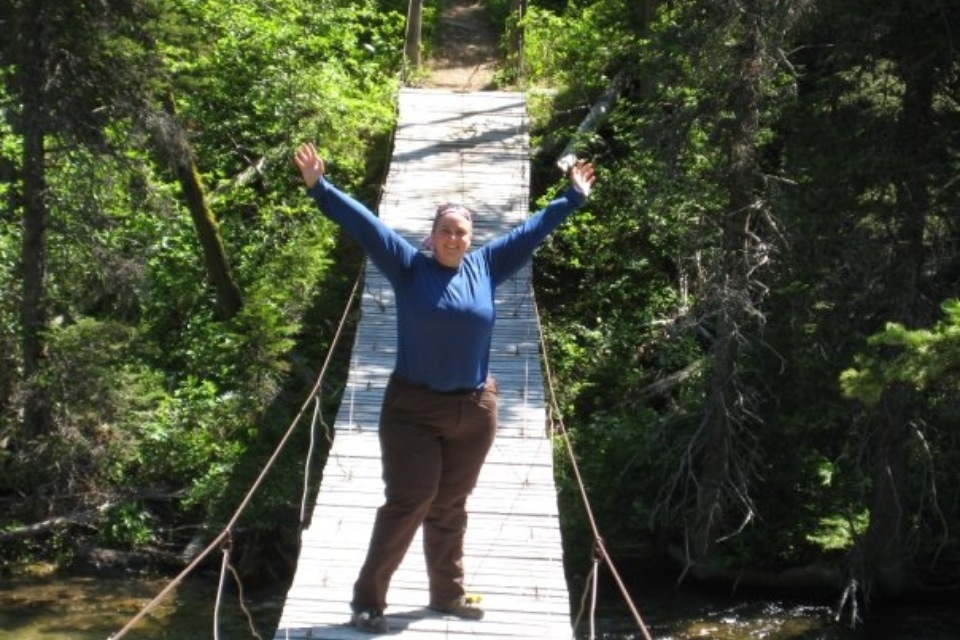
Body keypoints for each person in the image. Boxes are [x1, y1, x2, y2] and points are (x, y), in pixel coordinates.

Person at [293, 141, 595, 634]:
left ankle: (447, 594)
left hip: (475, 409)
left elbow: (532, 231)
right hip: (412, 409)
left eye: (461, 233)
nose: (454, 239)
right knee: (411, 499)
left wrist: (572, 197)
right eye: (445, 232)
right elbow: (365, 226)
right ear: (431, 238)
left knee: (451, 503)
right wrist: (320, 188)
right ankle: (368, 601)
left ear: (471, 239)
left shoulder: (485, 267)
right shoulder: (409, 267)